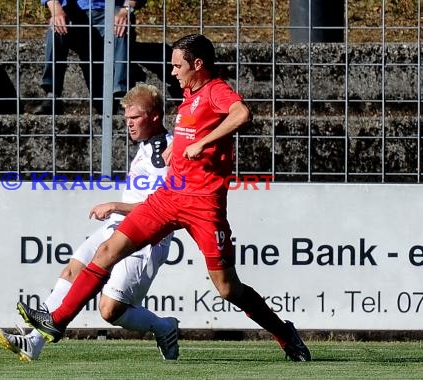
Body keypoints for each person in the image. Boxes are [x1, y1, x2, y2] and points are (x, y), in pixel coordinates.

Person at [17, 34, 312, 362]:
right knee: (107, 249)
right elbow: (190, 131)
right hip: (169, 197)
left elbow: (241, 114)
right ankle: (57, 323)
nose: (172, 72)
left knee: (228, 289)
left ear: (197, 65)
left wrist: (203, 143)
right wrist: (180, 147)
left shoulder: (215, 89)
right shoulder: (189, 94)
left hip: (203, 204)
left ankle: (285, 334)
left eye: (177, 65)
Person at [0, 83, 179, 362]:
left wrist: (116, 205)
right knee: (73, 270)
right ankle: (33, 342)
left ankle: (164, 326)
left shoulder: (162, 153)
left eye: (135, 118)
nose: (128, 125)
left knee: (110, 310)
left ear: (155, 116)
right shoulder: (147, 145)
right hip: (121, 227)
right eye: (126, 119)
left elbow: (163, 209)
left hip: (147, 237)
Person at [28, 0, 145, 115]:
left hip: (113, 11)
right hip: (75, 13)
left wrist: (125, 10)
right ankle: (52, 95)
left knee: (121, 27)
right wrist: (56, 10)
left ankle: (121, 97)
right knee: (56, 27)